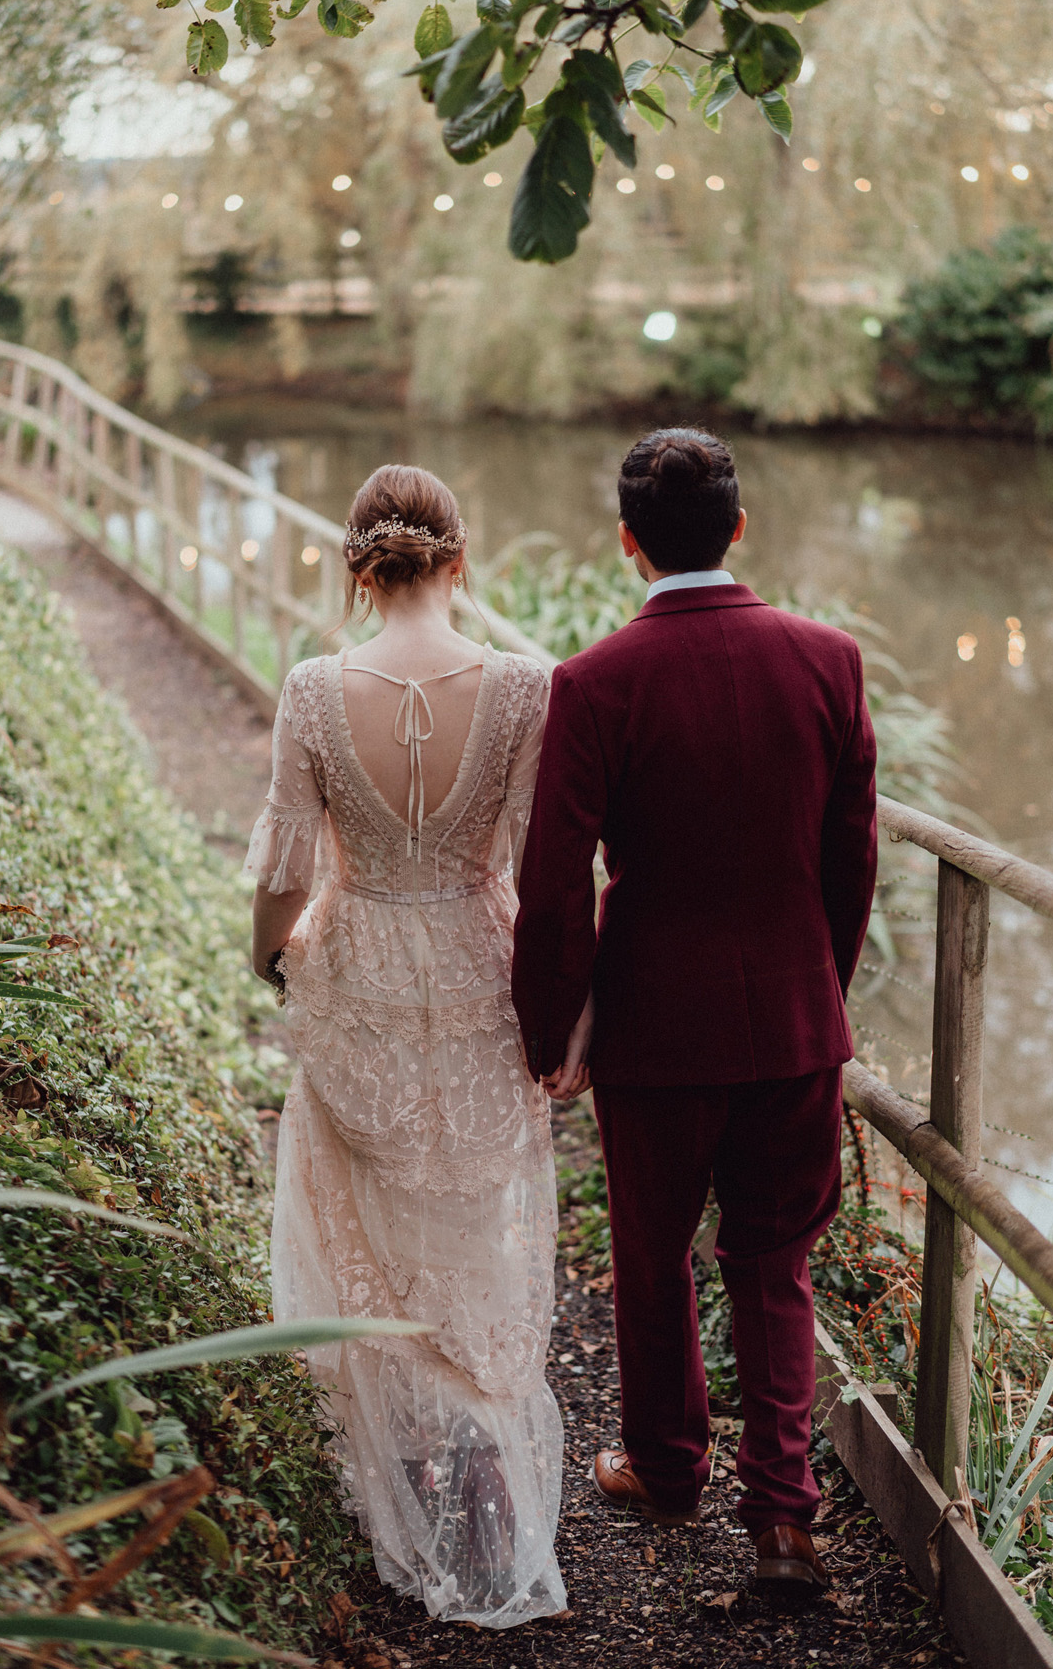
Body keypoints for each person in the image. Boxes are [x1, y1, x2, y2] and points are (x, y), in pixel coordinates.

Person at [511, 427, 877, 1597]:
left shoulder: (594, 681)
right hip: (791, 1017)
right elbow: (851, 854)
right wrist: (821, 981)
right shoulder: (830, 659)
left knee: (653, 1254)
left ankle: (668, 1467)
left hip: (654, 1024)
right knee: (776, 1263)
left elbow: (556, 877)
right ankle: (783, 1523)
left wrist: (550, 1022)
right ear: (739, 525)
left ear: (628, 543)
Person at [246, 465, 566, 1628]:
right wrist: (561, 1001)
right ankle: (483, 1460)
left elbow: (286, 870)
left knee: (369, 1218)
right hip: (482, 957)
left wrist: (273, 954)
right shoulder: (527, 686)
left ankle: (408, 1459)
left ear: (356, 565)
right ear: (460, 559)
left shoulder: (315, 688)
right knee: (472, 1213)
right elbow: (542, 868)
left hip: (365, 956)